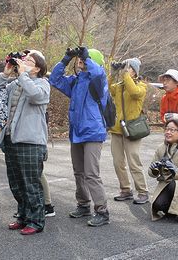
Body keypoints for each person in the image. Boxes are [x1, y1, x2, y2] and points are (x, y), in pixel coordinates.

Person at [49, 46, 110, 227]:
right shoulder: (76, 81)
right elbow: (55, 79)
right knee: (79, 172)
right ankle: (83, 205)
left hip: (93, 132)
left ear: (94, 62)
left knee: (91, 173)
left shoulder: (98, 81)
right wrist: (65, 59)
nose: (82, 60)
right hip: (77, 132)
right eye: (81, 58)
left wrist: (88, 59)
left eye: (86, 58)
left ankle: (102, 211)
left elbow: (98, 74)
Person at [0, 49, 50, 235]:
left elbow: (36, 95)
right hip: (11, 138)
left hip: (31, 142)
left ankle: (36, 221)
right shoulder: (17, 83)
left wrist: (23, 75)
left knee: (30, 184)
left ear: (36, 69)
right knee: (16, 183)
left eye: (28, 61)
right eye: (23, 59)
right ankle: (23, 216)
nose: (23, 61)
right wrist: (7, 72)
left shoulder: (42, 84)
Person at [108, 58, 149, 204]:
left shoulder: (141, 86)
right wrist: (112, 74)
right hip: (117, 129)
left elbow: (134, 93)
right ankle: (125, 190)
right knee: (118, 162)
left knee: (134, 162)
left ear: (135, 71)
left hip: (133, 129)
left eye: (129, 68)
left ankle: (143, 191)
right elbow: (105, 89)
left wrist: (125, 75)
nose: (126, 70)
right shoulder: (119, 86)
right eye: (126, 67)